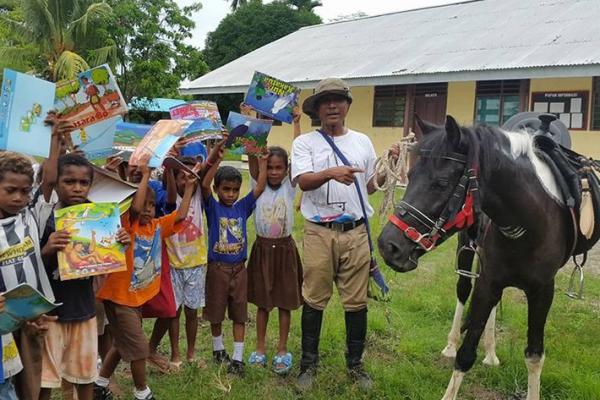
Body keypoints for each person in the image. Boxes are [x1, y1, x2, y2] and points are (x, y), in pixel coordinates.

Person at [291, 78, 397, 392]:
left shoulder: (362, 142)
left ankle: (355, 364)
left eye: (338, 100)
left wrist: (387, 166)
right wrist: (330, 173)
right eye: (326, 101)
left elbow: (367, 189)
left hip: (355, 233)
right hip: (319, 232)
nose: (333, 106)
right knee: (314, 298)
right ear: (318, 110)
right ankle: (308, 364)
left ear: (348, 105)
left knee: (356, 302)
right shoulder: (305, 143)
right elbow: (303, 181)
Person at [94, 160, 198, 400]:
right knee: (139, 349)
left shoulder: (156, 227)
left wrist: (190, 187)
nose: (148, 209)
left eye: (152, 205)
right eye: (144, 205)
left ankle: (99, 384)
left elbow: (180, 214)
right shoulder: (127, 227)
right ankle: (143, 392)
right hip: (119, 299)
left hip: (135, 298)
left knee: (121, 345)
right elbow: (135, 207)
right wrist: (145, 176)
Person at [38, 153, 130, 400]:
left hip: (84, 311)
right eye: (69, 182)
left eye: (83, 183)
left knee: (85, 375)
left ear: (91, 185)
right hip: (51, 313)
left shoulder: (99, 217)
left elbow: (105, 262)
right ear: (57, 183)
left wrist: (120, 243)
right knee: (45, 380)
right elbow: (33, 267)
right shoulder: (45, 216)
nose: (77, 188)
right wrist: (47, 248)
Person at [0, 115, 71, 400]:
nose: (19, 197)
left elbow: (49, 180)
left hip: (31, 315)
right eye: (9, 190)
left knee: (32, 374)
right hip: (3, 320)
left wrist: (55, 141)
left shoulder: (30, 215)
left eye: (24, 190)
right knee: (7, 374)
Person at [201, 134, 267, 377]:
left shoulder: (242, 206)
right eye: (226, 189)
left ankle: (237, 358)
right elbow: (204, 186)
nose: (230, 194)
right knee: (216, 312)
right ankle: (218, 349)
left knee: (239, 313)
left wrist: (262, 160)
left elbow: (259, 187)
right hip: (217, 268)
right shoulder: (212, 206)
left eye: (235, 190)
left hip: (240, 269)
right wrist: (216, 160)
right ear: (218, 190)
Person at [246, 145, 302, 374]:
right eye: (269, 167)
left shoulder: (289, 187)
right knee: (263, 302)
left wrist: (297, 122)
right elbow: (252, 160)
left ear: (287, 169)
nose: (274, 172)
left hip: (285, 250)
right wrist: (250, 121)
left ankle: (282, 349)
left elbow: (298, 153)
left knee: (284, 301)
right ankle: (260, 348)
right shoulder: (257, 186)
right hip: (262, 250)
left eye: (279, 168)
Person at [149, 155, 207, 368]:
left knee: (192, 311)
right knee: (174, 311)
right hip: (173, 263)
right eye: (181, 176)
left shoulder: (199, 194)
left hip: (196, 263)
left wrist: (216, 148)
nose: (187, 180)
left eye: (191, 176)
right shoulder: (168, 199)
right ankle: (175, 354)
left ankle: (191, 353)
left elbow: (207, 171)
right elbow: (176, 209)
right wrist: (169, 167)